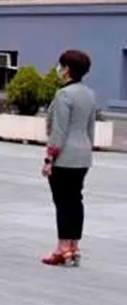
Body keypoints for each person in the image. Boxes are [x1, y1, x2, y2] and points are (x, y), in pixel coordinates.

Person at [41, 49, 96, 267]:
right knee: (76, 200)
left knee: (63, 202)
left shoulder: (64, 95)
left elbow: (59, 130)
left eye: (61, 66)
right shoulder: (89, 94)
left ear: (67, 70)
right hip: (83, 155)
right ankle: (74, 247)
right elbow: (90, 127)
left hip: (65, 156)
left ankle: (62, 248)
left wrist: (49, 158)